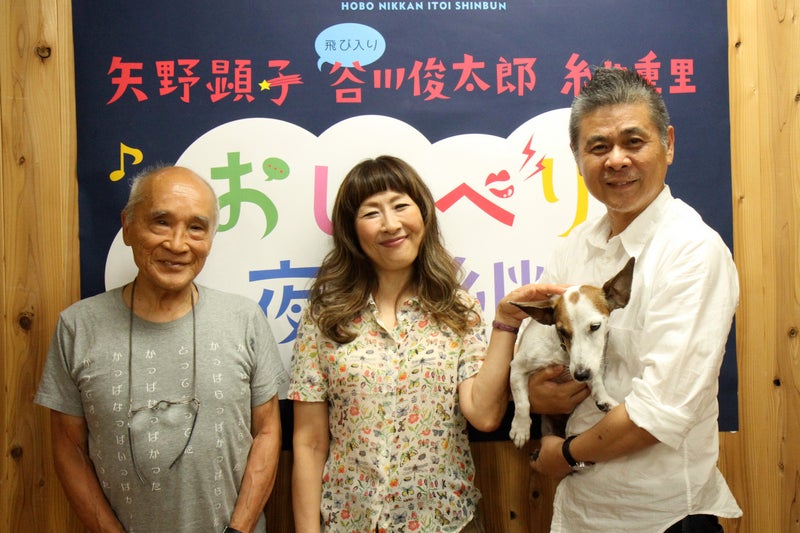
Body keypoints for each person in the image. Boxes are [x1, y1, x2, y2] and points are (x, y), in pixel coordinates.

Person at [288, 155, 568, 532]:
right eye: (371, 213)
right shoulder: (324, 315)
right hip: (350, 522)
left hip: (446, 522)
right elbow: (309, 441)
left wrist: (505, 322)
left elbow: (484, 415)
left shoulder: (458, 309)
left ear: (423, 215)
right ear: (352, 231)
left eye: (401, 206)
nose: (391, 224)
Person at [526, 67, 742, 532]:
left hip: (661, 518)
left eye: (633, 142)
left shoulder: (691, 251)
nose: (616, 160)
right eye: (598, 147)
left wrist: (565, 455)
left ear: (668, 144)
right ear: (577, 157)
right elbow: (541, 359)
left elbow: (659, 413)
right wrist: (537, 393)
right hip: (579, 515)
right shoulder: (574, 249)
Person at [35, 165, 288, 533]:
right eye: (161, 223)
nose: (177, 244)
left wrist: (239, 529)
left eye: (196, 228)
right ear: (128, 226)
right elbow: (69, 448)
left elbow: (266, 432)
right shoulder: (78, 327)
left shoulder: (244, 319)